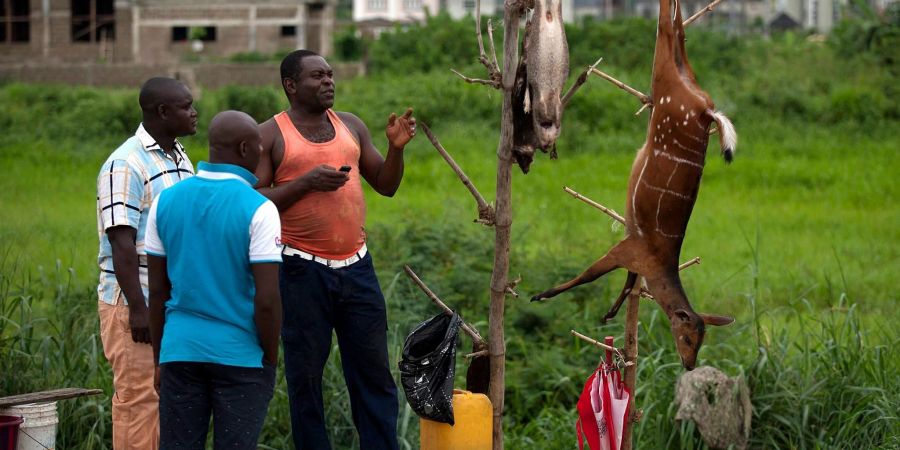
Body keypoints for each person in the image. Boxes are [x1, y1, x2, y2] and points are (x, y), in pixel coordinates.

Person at [254, 49, 416, 450]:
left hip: (357, 268)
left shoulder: (351, 126)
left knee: (373, 374)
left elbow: (386, 184)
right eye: (316, 76)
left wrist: (396, 149)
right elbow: (253, 201)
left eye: (330, 75)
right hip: (299, 270)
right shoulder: (270, 134)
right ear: (290, 85)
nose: (328, 82)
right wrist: (305, 183)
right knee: (305, 378)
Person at [146, 110, 283, 449]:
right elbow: (267, 300)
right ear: (243, 149)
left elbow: (159, 290)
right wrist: (269, 356)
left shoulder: (165, 201)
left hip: (179, 352)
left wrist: (160, 358)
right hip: (241, 357)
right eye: (258, 147)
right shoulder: (260, 209)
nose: (261, 153)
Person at [95, 77, 197, 450]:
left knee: (168, 401)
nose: (194, 112)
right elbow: (121, 243)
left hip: (170, 301)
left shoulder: (178, 156)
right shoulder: (125, 163)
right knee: (139, 402)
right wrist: (139, 308)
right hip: (134, 303)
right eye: (187, 106)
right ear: (163, 112)